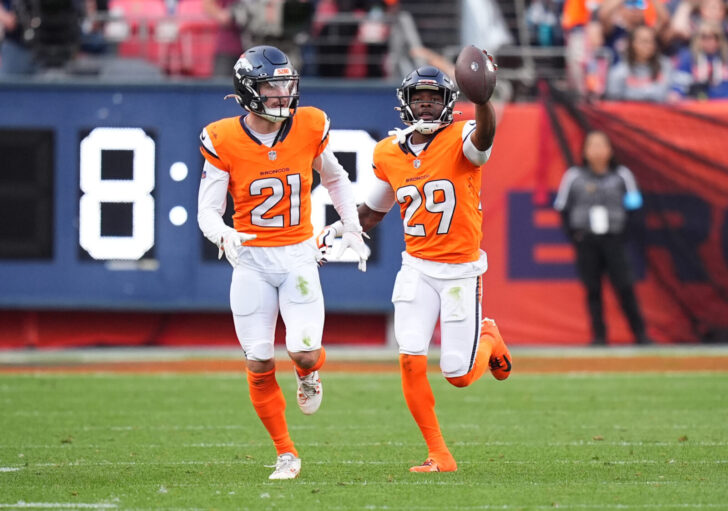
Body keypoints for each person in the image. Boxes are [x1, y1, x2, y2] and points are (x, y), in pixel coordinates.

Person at [321, 63, 512, 473]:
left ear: (449, 103)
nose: (426, 106)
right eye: (418, 99)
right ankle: (439, 455)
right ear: (405, 105)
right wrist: (337, 229)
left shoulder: (462, 138)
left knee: (458, 375)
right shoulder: (388, 151)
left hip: (460, 269)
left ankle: (490, 339)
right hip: (417, 267)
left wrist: (483, 99)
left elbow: (485, 137)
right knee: (409, 357)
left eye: (434, 98)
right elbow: (373, 210)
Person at [196, 45, 370, 480]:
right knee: (257, 360)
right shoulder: (222, 137)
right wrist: (221, 232)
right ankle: (285, 452)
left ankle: (308, 374)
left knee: (305, 352)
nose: (282, 94)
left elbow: (334, 177)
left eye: (285, 84)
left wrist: (351, 226)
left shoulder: (309, 125)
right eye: (272, 86)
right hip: (251, 261)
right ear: (249, 89)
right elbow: (207, 210)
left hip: (297, 257)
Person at [553, 130, 651, 345]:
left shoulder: (622, 175)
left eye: (601, 145)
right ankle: (599, 336)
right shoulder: (574, 176)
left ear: (610, 150)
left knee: (625, 286)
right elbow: (562, 207)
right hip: (586, 240)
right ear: (585, 151)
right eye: (592, 146)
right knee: (592, 289)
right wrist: (575, 236)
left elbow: (635, 205)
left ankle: (641, 335)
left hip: (615, 239)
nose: (597, 151)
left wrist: (624, 233)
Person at [605, 24, 675, 101]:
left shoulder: (665, 65)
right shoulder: (620, 71)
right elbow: (612, 98)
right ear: (632, 44)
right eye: (644, 41)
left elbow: (663, 95)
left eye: (652, 41)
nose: (649, 45)